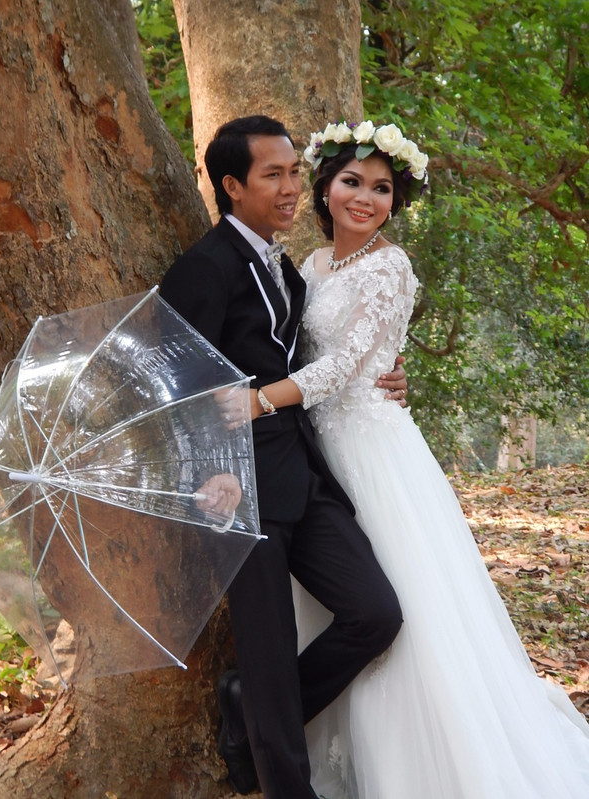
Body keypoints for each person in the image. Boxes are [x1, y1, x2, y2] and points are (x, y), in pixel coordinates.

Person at [251, 119, 589, 798]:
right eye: (353, 182)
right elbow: (298, 348)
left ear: (394, 203)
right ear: (326, 187)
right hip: (314, 450)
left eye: (382, 189)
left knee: (400, 603)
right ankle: (291, 729)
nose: (365, 198)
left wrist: (256, 402)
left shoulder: (391, 266)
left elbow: (347, 366)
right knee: (331, 599)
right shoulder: (310, 266)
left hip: (372, 450)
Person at [159, 115, 407, 799]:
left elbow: (314, 356)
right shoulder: (203, 268)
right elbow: (173, 383)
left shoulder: (287, 268)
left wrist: (387, 370)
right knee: (269, 657)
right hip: (238, 485)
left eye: (295, 171)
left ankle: (245, 708)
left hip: (305, 468)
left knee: (375, 613)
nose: (292, 186)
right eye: (273, 174)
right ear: (233, 186)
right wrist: (211, 471)